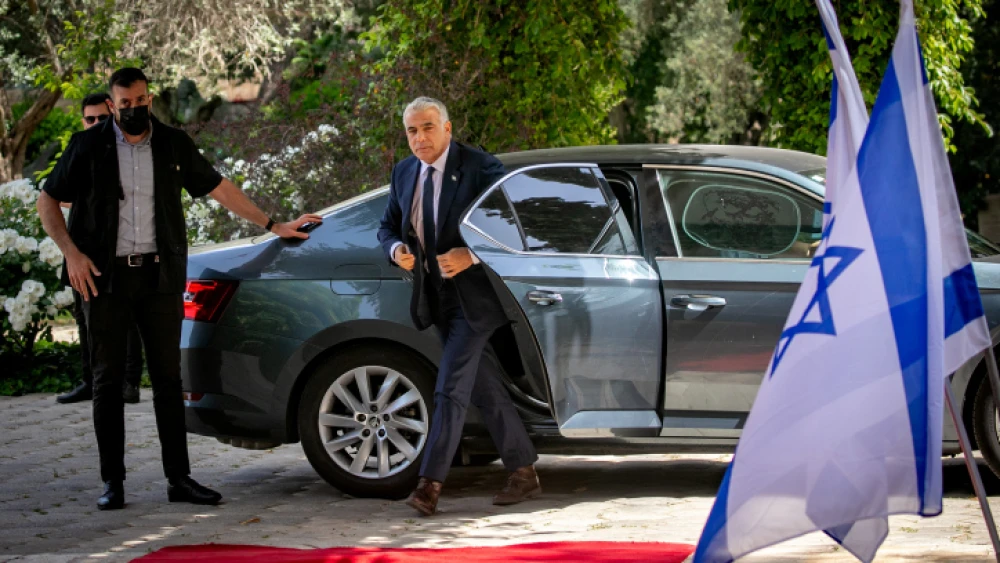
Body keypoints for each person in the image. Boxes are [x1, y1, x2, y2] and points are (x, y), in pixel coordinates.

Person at [36, 68, 323, 511]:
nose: (135, 109)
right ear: (112, 106)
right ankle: (113, 482)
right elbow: (47, 198)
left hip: (159, 278)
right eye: (125, 103)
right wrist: (71, 254)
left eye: (141, 100)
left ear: (150, 98)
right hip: (104, 279)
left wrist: (272, 224)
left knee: (169, 379)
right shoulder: (87, 146)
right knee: (107, 382)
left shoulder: (172, 144)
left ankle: (179, 479)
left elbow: (218, 187)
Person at [377, 97, 540, 516]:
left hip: (477, 298)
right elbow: (386, 226)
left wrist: (471, 254)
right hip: (435, 298)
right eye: (412, 131)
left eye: (428, 128)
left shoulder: (480, 167)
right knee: (482, 385)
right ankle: (523, 471)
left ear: (447, 128)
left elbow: (515, 223)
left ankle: (429, 485)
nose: (420, 138)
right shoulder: (403, 172)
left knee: (449, 388)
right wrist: (396, 248)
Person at [56, 93, 143, 405]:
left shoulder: (126, 150)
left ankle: (129, 383)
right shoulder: (80, 147)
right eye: (89, 119)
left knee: (127, 319)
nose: (95, 124)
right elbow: (58, 194)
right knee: (83, 317)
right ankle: (90, 381)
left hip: (123, 247)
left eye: (101, 118)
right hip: (83, 247)